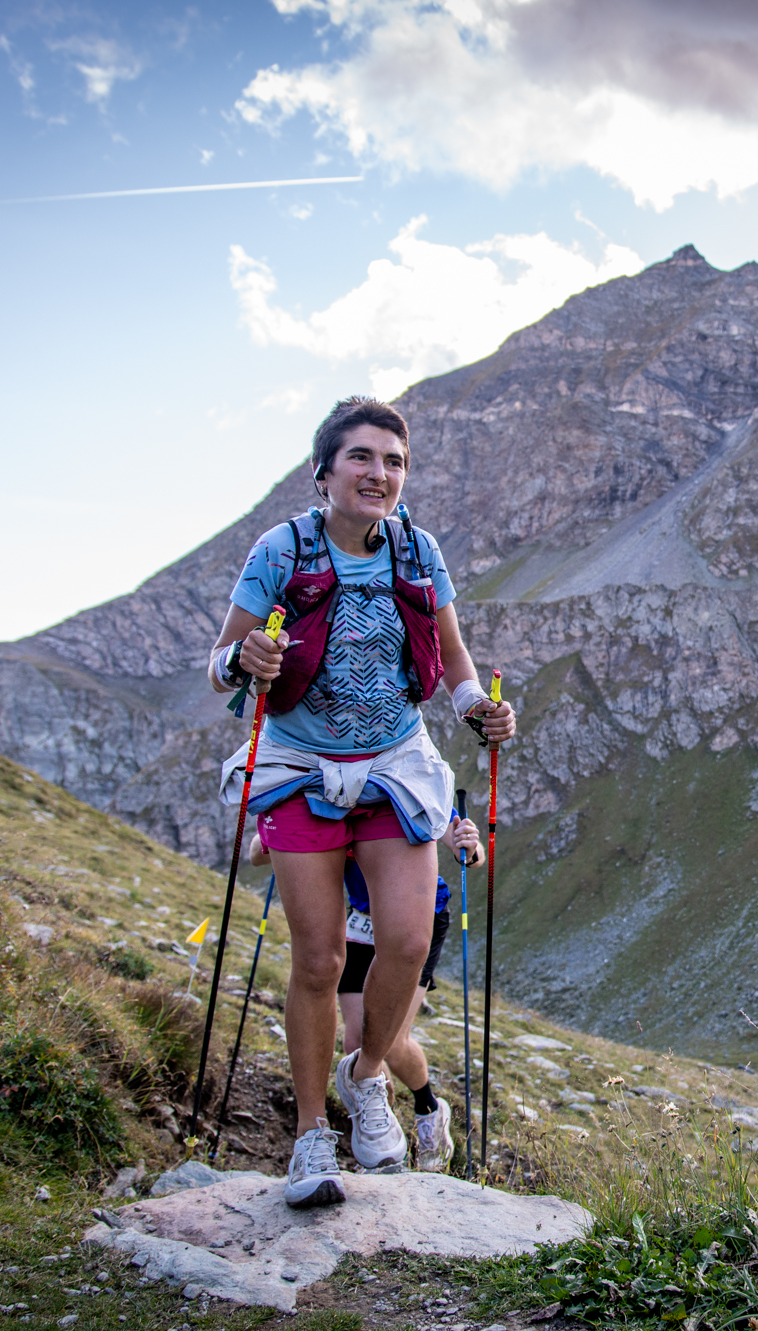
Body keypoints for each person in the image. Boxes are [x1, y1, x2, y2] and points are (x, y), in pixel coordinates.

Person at [206, 396, 514, 1208]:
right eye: (363, 458)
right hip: (301, 764)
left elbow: (454, 664)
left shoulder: (418, 550)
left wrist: (478, 709)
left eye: (394, 461)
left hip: (394, 761)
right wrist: (247, 658)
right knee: (318, 958)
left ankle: (365, 1074)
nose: (380, 473)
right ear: (324, 472)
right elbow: (219, 665)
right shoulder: (281, 549)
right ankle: (311, 1139)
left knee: (408, 942)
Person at [250, 815, 482, 1174]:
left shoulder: (396, 774)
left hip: (419, 913)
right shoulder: (321, 788)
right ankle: (381, 1141)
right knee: (356, 1041)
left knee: (390, 1042)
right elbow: (257, 853)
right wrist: (272, 836)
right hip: (360, 918)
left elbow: (468, 850)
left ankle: (429, 1109)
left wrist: (469, 844)